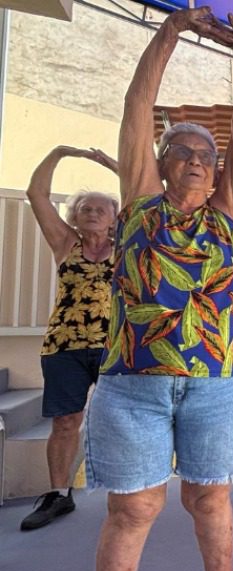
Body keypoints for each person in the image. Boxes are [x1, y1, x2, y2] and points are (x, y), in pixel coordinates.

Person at [86, 9, 233, 571]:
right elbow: (138, 103)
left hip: (214, 386)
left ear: (215, 175)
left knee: (211, 498)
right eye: (178, 151)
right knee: (134, 508)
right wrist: (171, 32)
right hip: (134, 387)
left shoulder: (226, 213)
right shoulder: (136, 205)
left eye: (203, 154)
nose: (194, 158)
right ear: (158, 163)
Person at [20, 146, 118, 532]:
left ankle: (128, 490)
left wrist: (112, 165)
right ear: (74, 217)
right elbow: (36, 195)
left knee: (124, 420)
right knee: (65, 422)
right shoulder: (65, 244)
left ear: (114, 220)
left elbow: (146, 198)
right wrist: (60, 152)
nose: (92, 213)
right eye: (85, 208)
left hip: (115, 346)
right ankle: (59, 494)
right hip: (64, 346)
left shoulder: (126, 244)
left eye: (101, 209)